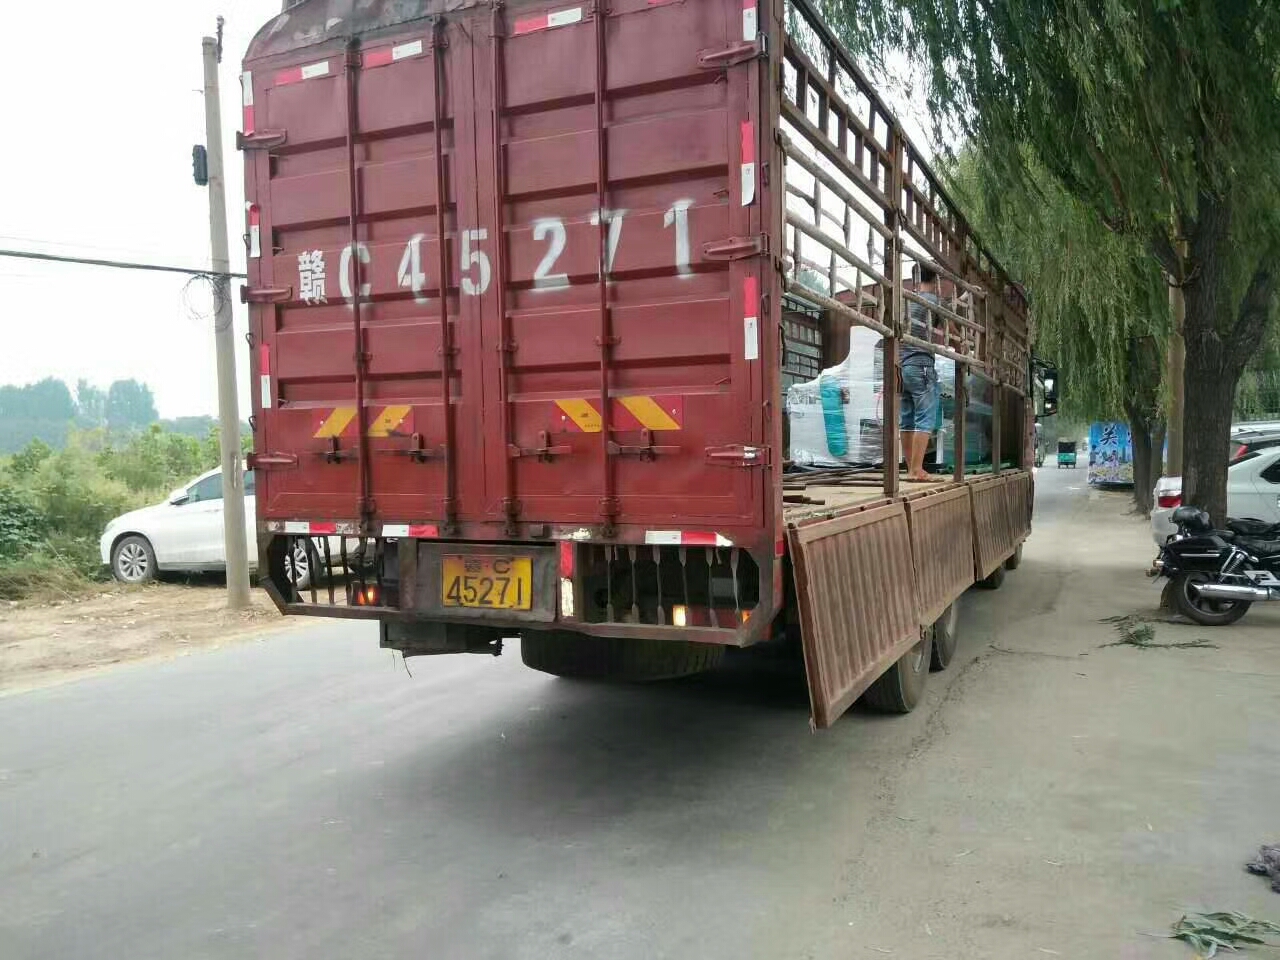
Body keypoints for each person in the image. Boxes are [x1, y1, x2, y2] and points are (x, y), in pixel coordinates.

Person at [899, 266, 941, 481]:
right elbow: (949, 326)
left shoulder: (907, 302)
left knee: (907, 419)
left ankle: (911, 469)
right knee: (925, 417)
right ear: (936, 279)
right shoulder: (933, 302)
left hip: (903, 366)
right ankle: (917, 470)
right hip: (922, 364)